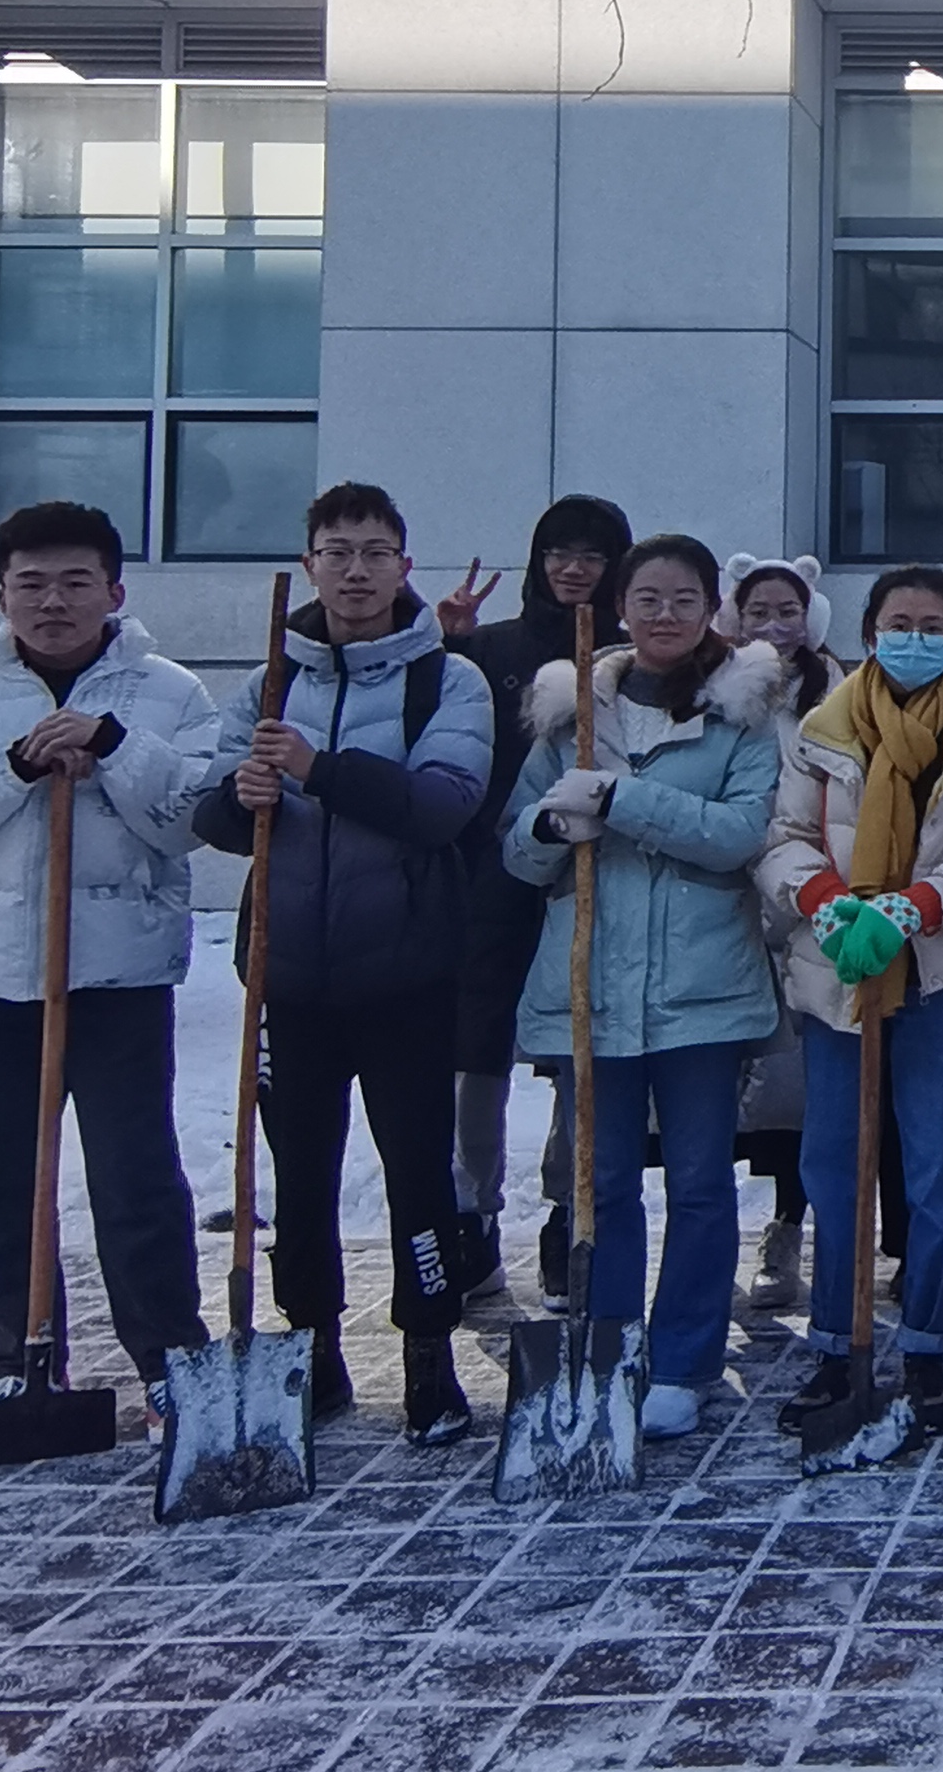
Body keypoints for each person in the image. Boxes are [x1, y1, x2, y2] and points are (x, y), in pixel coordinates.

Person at [0, 501, 217, 1426]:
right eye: (31, 584)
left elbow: (195, 818)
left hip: (117, 978)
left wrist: (111, 745)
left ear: (114, 592)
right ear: (1, 595)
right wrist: (13, 764)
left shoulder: (169, 694)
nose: (53, 602)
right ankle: (22, 1356)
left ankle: (171, 1359)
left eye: (75, 582)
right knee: (0, 1186)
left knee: (135, 1180)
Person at [192, 481, 495, 1443]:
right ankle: (312, 1347)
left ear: (404, 567)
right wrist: (240, 796)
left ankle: (428, 1353)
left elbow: (444, 805)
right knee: (299, 1174)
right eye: (337, 552)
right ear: (309, 564)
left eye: (374, 553)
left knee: (418, 1170)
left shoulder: (446, 681)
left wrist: (317, 770)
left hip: (405, 971)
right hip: (287, 976)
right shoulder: (270, 681)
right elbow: (210, 814)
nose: (355, 571)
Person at [501, 534, 788, 1440]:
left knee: (700, 1182)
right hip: (590, 986)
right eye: (648, 598)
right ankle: (608, 1347)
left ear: (713, 610)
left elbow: (740, 835)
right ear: (620, 607)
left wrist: (623, 801)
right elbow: (516, 849)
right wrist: (554, 826)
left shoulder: (744, 716)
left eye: (685, 599)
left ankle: (686, 1359)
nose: (665, 615)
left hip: (703, 989)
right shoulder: (573, 712)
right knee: (602, 1183)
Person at [758, 565, 943, 1438]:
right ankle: (838, 1345)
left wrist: (916, 906)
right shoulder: (823, 727)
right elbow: (784, 837)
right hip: (838, 967)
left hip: (942, 969)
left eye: (933, 625)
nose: (915, 638)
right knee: (835, 1165)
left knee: (938, 1166)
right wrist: (823, 900)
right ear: (871, 632)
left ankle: (924, 1346)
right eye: (898, 623)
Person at [439, 492, 632, 1299]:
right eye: (559, 552)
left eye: (591, 555)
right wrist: (447, 644)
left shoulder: (633, 657)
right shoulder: (491, 648)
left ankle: (569, 1212)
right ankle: (468, 1213)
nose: (573, 569)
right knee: (474, 1044)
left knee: (578, 1042)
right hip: (494, 872)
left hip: (596, 875)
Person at [720, 553, 839, 1311]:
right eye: (758, 610)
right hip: (721, 897)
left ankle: (788, 1228)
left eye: (787, 610)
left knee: (792, 1091)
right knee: (718, 1091)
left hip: (804, 901)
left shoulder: (837, 692)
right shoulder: (716, 686)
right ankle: (711, 1243)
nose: (773, 625)